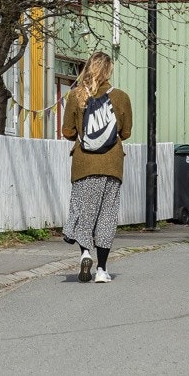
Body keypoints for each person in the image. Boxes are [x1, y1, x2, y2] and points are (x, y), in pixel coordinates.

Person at [60, 51, 132, 284]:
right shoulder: (121, 97)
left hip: (83, 165)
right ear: (108, 71)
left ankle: (85, 254)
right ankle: (101, 270)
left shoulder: (75, 96)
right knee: (107, 216)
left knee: (84, 212)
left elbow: (68, 131)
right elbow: (127, 132)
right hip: (112, 164)